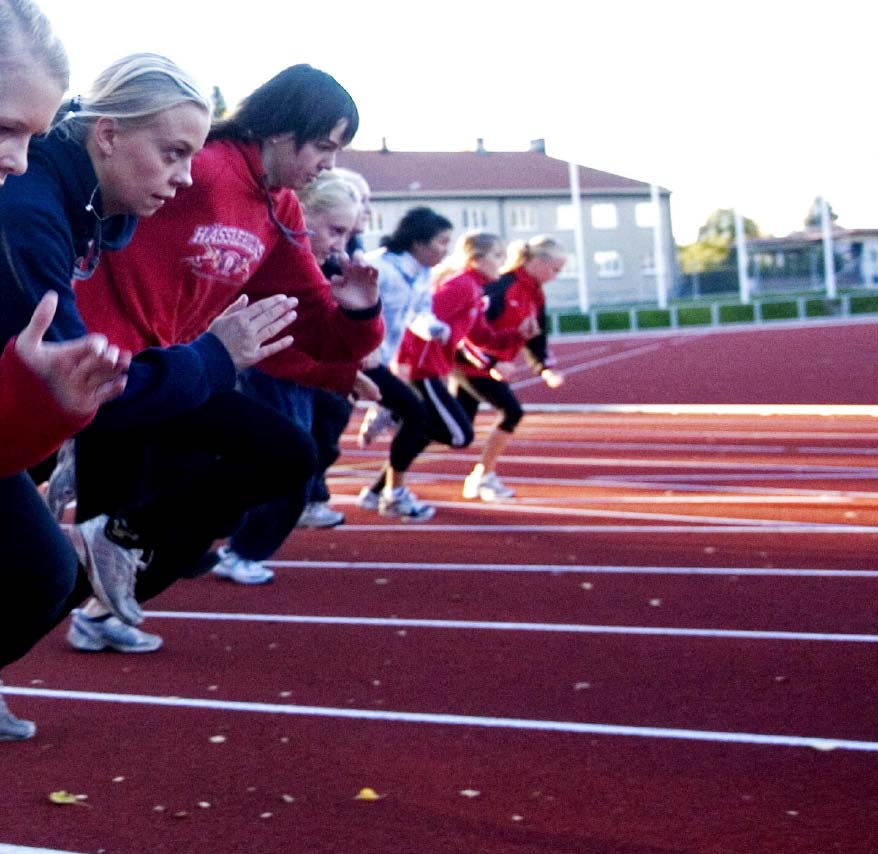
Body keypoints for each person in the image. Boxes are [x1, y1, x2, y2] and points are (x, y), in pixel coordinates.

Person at [0, 52, 308, 684]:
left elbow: (58, 386)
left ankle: (116, 540)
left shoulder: (66, 204)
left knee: (41, 568)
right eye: (172, 153)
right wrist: (213, 356)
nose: (188, 177)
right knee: (39, 571)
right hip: (122, 375)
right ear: (107, 134)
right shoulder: (30, 211)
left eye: (29, 135)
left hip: (103, 384)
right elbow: (76, 385)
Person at [68, 65, 383, 602]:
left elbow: (313, 322)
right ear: (282, 129)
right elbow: (98, 184)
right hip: (108, 370)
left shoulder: (277, 207)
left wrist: (357, 312)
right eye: (322, 147)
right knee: (72, 570)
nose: (328, 165)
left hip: (169, 378)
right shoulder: (202, 169)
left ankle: (114, 543)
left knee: (285, 454)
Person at [394, 231, 538, 477]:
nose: (503, 263)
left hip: (436, 369)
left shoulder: (474, 290)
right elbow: (416, 318)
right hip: (422, 369)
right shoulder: (461, 286)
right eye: (497, 256)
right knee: (458, 435)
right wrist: (403, 360)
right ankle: (402, 418)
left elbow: (482, 338)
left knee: (450, 432)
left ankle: (385, 488)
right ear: (475, 259)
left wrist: (519, 335)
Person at [355, 207, 453, 520]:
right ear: (418, 242)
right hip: (356, 359)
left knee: (415, 415)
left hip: (380, 361)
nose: (445, 250)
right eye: (441, 242)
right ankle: (390, 494)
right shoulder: (377, 265)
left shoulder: (423, 274)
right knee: (416, 414)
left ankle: (386, 492)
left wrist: (434, 328)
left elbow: (419, 315)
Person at [452, 234, 566, 501]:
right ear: (536, 261)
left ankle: (403, 420)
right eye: (555, 269)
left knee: (458, 433)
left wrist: (543, 368)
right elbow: (467, 331)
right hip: (470, 363)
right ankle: (483, 477)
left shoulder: (535, 293)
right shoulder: (501, 286)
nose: (556, 275)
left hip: (490, 365)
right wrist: (489, 363)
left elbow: (536, 335)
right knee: (511, 412)